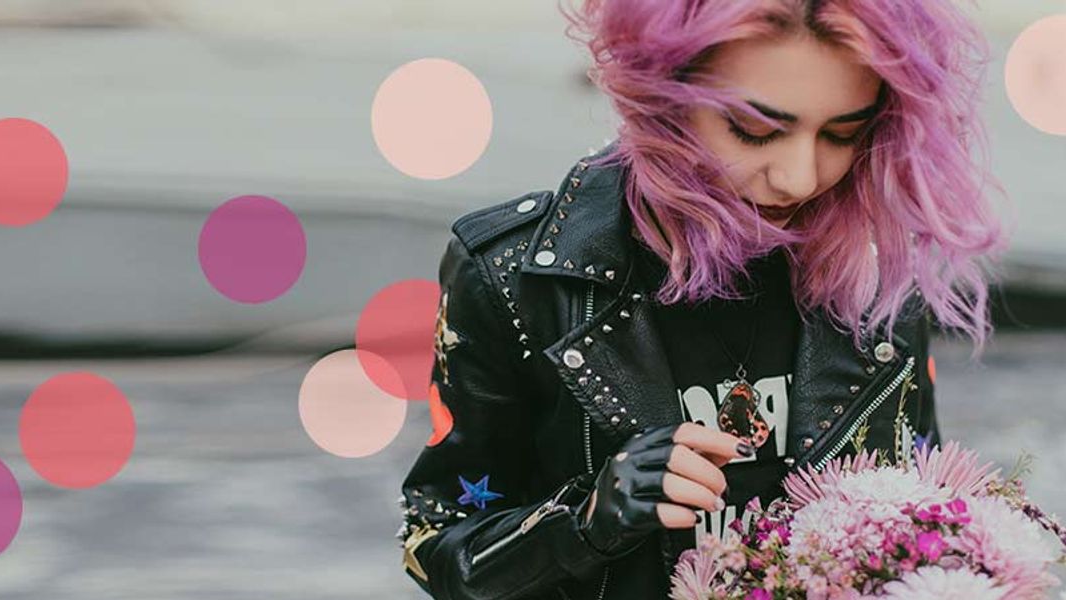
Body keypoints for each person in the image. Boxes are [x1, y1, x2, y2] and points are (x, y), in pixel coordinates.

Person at [396, 0, 1005, 598]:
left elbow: (924, 509)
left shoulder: (878, 271)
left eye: (844, 134)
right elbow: (438, 543)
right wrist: (588, 521)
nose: (800, 176)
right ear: (662, 98)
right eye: (756, 129)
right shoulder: (515, 276)